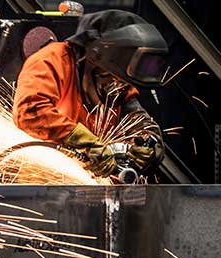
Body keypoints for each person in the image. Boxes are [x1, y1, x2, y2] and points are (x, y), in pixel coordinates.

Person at [12, 9, 169, 178]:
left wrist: (150, 145)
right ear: (98, 55)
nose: (117, 87)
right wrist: (84, 142)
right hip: (35, 175)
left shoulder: (119, 84)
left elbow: (138, 120)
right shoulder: (52, 60)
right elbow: (29, 112)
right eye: (111, 78)